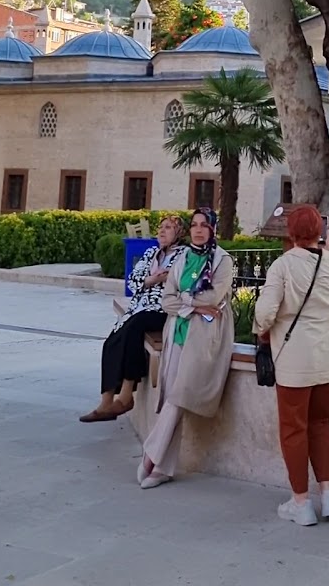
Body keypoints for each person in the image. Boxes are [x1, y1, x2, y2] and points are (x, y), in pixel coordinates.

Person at [254, 204, 329, 527]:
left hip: (295, 363)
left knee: (294, 429)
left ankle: (301, 503)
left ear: (290, 232)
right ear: (320, 232)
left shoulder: (283, 266)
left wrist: (262, 331)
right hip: (328, 361)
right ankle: (328, 495)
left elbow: (265, 314)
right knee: (321, 423)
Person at [137, 207, 234, 489]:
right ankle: (163, 469)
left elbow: (214, 297)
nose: (199, 230)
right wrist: (193, 305)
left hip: (203, 337)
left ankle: (150, 455)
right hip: (177, 333)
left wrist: (185, 300)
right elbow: (167, 300)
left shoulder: (222, 260)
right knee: (171, 394)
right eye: (194, 225)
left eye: (205, 225)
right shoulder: (182, 258)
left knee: (179, 396)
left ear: (212, 229)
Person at [80, 215, 187, 423]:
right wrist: (151, 279)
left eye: (168, 227)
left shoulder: (184, 255)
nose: (162, 231)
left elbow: (183, 280)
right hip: (141, 307)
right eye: (161, 227)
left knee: (134, 328)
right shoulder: (151, 253)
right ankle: (106, 402)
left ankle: (126, 394)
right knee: (113, 339)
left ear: (179, 233)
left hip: (163, 309)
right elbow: (132, 281)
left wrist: (168, 278)